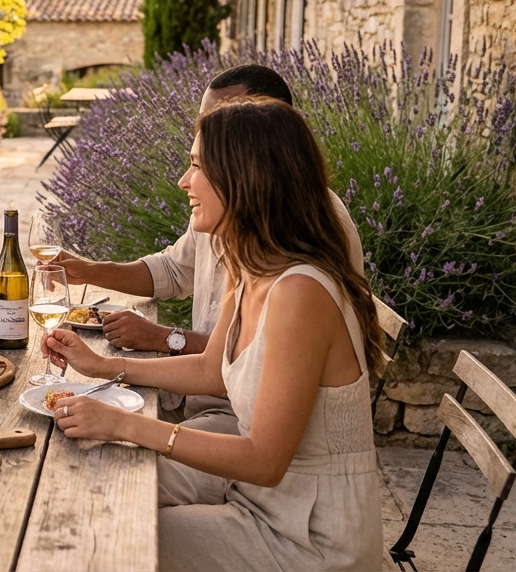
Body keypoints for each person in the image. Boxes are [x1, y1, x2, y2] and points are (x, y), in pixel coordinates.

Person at [45, 97, 383, 570]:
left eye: (197, 166)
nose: (184, 181)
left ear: (243, 177)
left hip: (308, 536)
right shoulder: (252, 267)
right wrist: (104, 367)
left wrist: (126, 423)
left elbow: (265, 459)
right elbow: (212, 370)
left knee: (107, 534)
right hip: (262, 501)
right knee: (97, 481)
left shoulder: (300, 292)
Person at [50, 64, 363, 432]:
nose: (184, 180)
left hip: (236, 419)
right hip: (206, 400)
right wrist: (87, 271)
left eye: (220, 127)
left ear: (262, 138)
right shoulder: (240, 229)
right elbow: (175, 275)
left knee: (106, 466)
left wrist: (162, 339)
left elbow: (263, 449)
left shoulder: (306, 245)